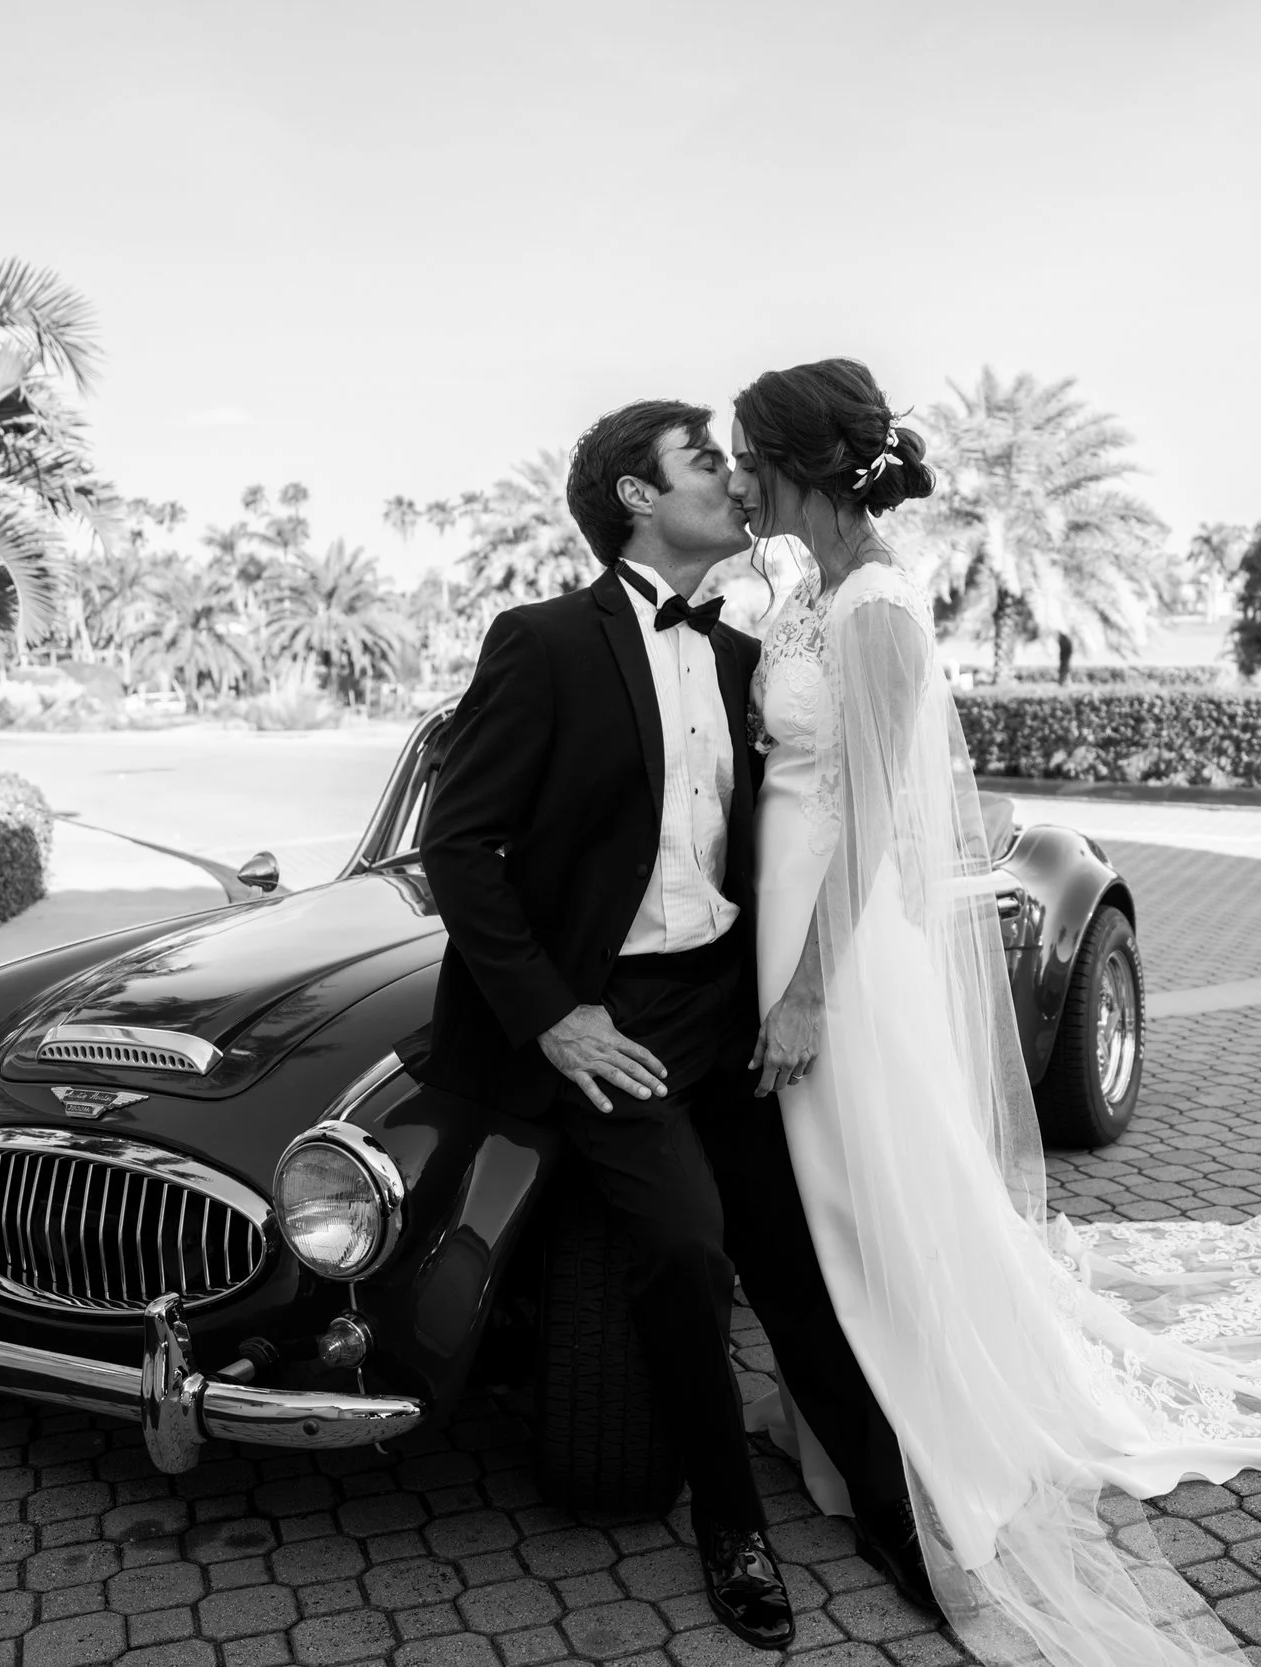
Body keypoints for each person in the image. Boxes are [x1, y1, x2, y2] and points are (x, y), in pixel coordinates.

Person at [729, 358, 1261, 1667]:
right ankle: (833, 1414)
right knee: (823, 1193)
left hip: (838, 957)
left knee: (871, 1190)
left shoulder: (877, 612)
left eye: (748, 455)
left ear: (799, 466)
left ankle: (925, 1434)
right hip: (792, 922)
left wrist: (803, 989)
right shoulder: (807, 593)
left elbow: (869, 833)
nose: (736, 476)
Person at [412, 398, 928, 1649]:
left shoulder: (751, 654)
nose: (733, 479)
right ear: (636, 497)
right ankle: (731, 1527)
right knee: (692, 1250)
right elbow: (458, 847)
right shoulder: (539, 641)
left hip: (725, 997)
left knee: (793, 1252)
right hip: (614, 1018)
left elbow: (802, 821)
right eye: (705, 460)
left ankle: (884, 1504)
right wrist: (554, 1016)